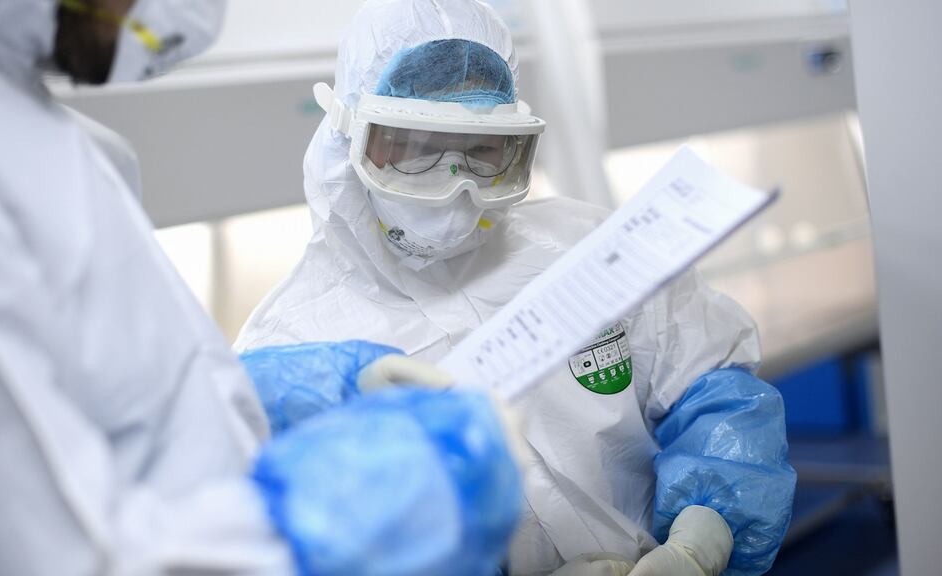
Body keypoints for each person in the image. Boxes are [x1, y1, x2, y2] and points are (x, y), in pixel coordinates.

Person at [0, 1, 524, 575]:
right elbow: (59, 554)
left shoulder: (15, 116)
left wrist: (250, 396)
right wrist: (326, 527)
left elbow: (88, 388)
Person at [235, 1, 797, 575]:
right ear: (349, 134)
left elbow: (711, 389)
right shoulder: (295, 350)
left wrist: (702, 539)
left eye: (483, 152)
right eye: (415, 148)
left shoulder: (589, 246)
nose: (457, 185)